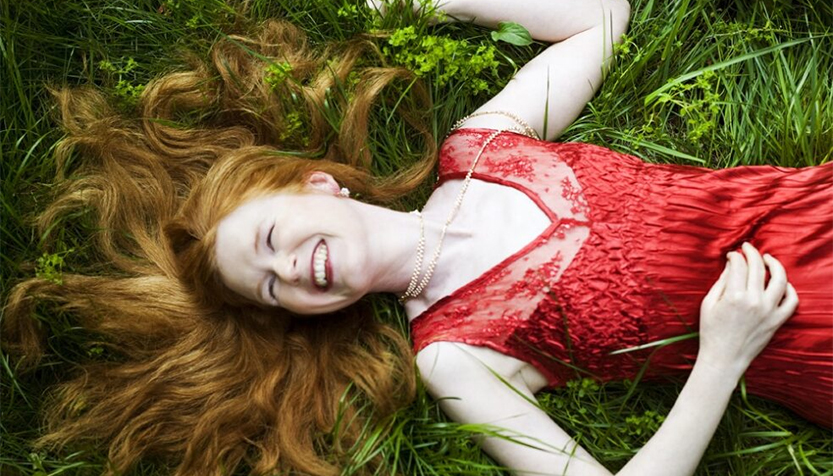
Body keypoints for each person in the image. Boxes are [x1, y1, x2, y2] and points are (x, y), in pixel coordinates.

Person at [3, 1, 830, 476]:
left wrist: (427, 2)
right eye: (270, 284)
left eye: (270, 238)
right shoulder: (451, 356)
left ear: (315, 182)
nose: (290, 267)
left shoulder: (484, 147)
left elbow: (599, 17)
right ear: (302, 311)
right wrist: (723, 356)